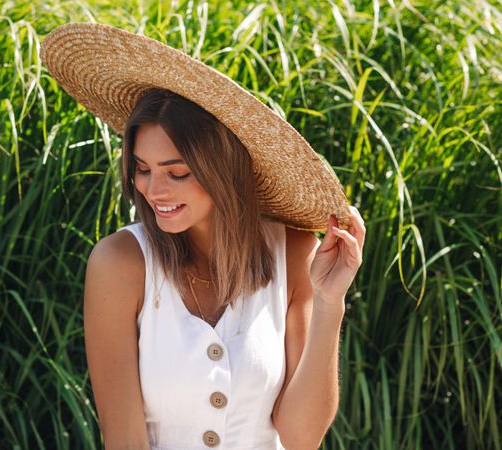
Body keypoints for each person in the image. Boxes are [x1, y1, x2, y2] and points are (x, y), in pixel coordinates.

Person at [40, 23, 366, 450]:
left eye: (177, 173)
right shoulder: (120, 263)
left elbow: (301, 436)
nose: (154, 191)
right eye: (142, 169)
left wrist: (329, 302)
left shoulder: (294, 253)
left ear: (223, 170)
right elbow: (124, 440)